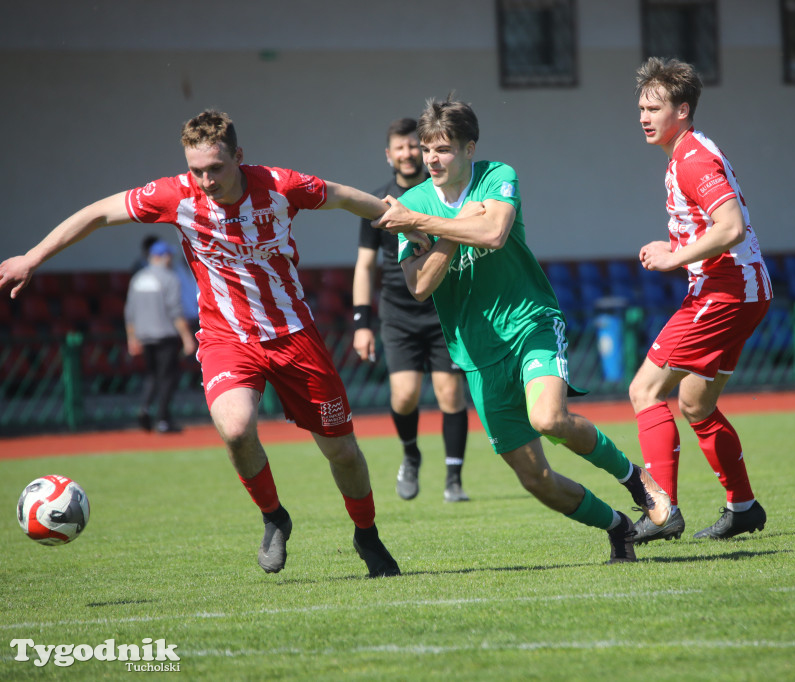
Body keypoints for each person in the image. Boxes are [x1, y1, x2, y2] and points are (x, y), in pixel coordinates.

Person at [0, 109, 402, 577]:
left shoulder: (279, 185)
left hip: (294, 335)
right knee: (235, 427)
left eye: (216, 168)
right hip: (226, 338)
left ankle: (367, 535)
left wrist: (400, 216)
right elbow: (97, 213)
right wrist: (33, 256)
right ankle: (274, 517)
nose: (206, 180)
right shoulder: (174, 195)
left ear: (239, 158)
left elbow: (343, 197)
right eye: (197, 170)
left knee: (343, 453)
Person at [374, 94, 671, 564]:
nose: (432, 158)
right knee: (537, 480)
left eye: (444, 148)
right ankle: (618, 527)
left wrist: (427, 226)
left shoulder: (497, 176)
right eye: (427, 148)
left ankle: (636, 479)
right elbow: (420, 286)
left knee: (548, 418)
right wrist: (450, 228)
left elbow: (493, 232)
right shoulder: (411, 203)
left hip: (529, 320)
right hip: (476, 351)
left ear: (469, 148)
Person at [627, 57, 772, 544]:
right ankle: (744, 508)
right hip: (741, 289)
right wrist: (676, 251)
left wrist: (673, 259)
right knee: (695, 401)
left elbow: (731, 228)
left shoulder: (692, 159)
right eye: (641, 107)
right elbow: (717, 228)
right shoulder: (685, 154)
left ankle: (662, 509)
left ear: (682, 110)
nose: (645, 116)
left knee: (645, 390)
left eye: (655, 107)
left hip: (727, 290)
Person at [353, 118, 470, 503]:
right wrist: (362, 323)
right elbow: (364, 267)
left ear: (423, 151)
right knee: (403, 396)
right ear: (389, 155)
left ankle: (454, 478)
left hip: (441, 311)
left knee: (449, 394)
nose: (407, 154)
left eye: (413, 147)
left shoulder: (438, 194)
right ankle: (411, 454)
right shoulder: (376, 202)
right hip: (399, 314)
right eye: (399, 148)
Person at [124, 239, 198, 433]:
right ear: (160, 257)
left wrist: (132, 338)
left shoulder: (138, 278)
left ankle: (145, 408)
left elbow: (129, 312)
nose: (170, 259)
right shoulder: (169, 278)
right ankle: (162, 419)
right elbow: (175, 311)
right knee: (168, 378)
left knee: (152, 376)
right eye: (168, 255)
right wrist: (187, 338)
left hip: (144, 335)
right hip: (166, 335)